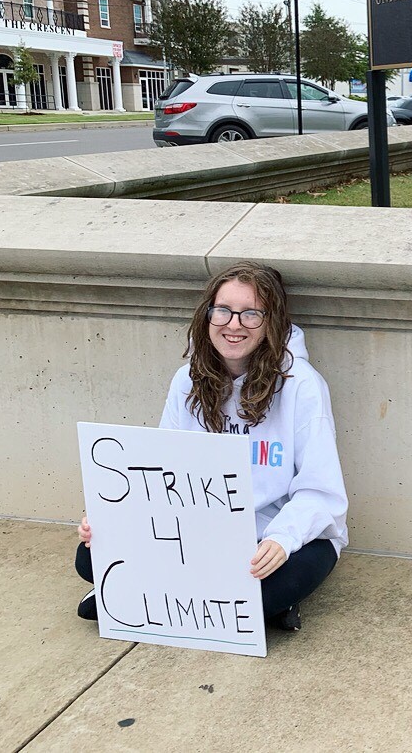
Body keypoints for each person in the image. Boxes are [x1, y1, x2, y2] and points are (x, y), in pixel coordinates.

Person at [76, 261, 349, 631]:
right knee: (87, 557)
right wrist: (116, 518)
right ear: (208, 314)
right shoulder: (187, 380)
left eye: (251, 314)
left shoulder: (302, 386)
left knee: (280, 583)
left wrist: (283, 540)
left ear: (272, 322)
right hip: (202, 532)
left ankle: (146, 593)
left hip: (275, 535)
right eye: (223, 310)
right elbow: (158, 471)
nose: (234, 324)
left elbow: (321, 492)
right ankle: (227, 600)